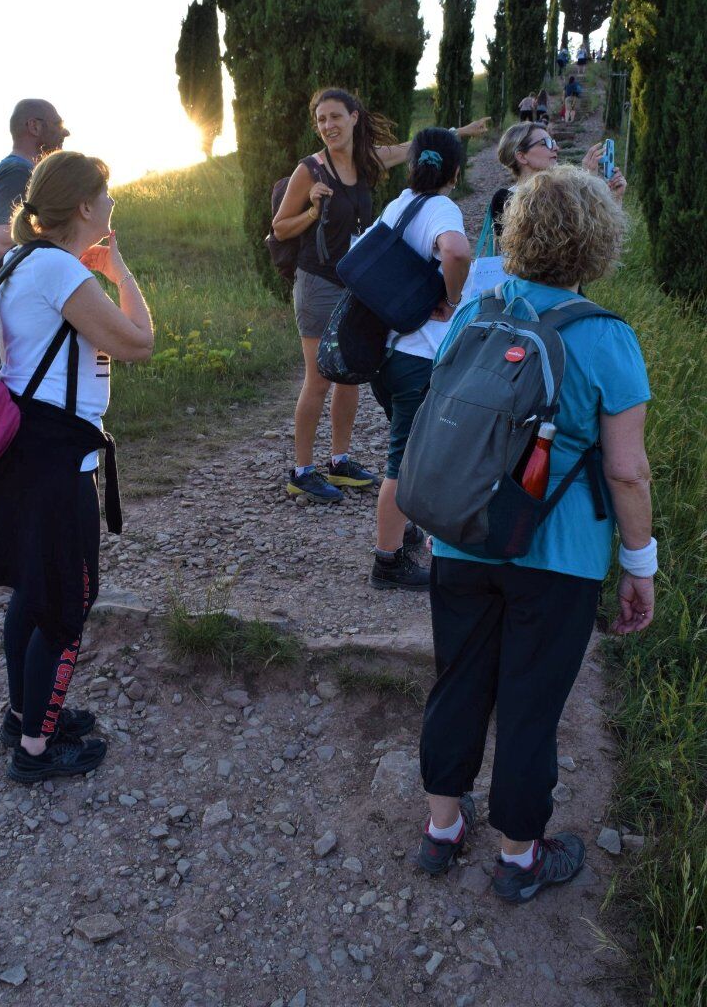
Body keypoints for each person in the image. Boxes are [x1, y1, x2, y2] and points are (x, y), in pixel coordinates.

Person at [416, 164, 655, 904]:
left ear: (514, 232)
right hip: (558, 557)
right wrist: (638, 562)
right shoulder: (606, 337)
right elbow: (626, 473)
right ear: (598, 243)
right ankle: (520, 858)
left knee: (456, 682)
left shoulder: (475, 311)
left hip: (461, 537)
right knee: (528, 705)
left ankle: (442, 829)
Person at [0, 151, 154, 782]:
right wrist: (120, 265)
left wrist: (97, 263)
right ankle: (37, 751)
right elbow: (138, 342)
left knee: (35, 588)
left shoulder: (27, 261)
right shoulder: (55, 269)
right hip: (54, 461)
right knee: (69, 601)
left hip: (26, 450)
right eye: (106, 194)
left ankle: (26, 715)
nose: (111, 203)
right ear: (84, 205)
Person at [271, 86, 488, 503]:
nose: (328, 126)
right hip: (318, 280)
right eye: (321, 120)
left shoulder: (369, 159)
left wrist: (463, 131)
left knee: (356, 368)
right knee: (319, 377)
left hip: (360, 284)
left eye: (335, 116)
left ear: (355, 117)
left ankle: (339, 461)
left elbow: (420, 147)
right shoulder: (310, 170)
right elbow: (280, 227)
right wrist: (313, 211)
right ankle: (301, 469)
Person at [368, 129, 470, 590]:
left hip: (385, 356)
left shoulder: (400, 203)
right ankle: (387, 563)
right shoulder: (442, 207)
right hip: (418, 357)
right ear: (454, 172)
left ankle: (401, 525)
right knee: (404, 464)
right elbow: (456, 250)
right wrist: (452, 297)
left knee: (404, 449)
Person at [0, 100, 70, 376]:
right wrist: (60, 236)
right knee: (12, 404)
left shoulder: (22, 171)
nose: (65, 133)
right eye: (58, 124)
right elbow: (0, 241)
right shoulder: (18, 171)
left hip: (5, 312)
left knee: (18, 401)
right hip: (0, 315)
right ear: (34, 126)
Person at [486, 121, 626, 244]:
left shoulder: (567, 191)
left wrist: (613, 197)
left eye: (553, 142)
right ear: (521, 156)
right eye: (545, 143)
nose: (555, 148)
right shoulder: (505, 199)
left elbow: (603, 241)